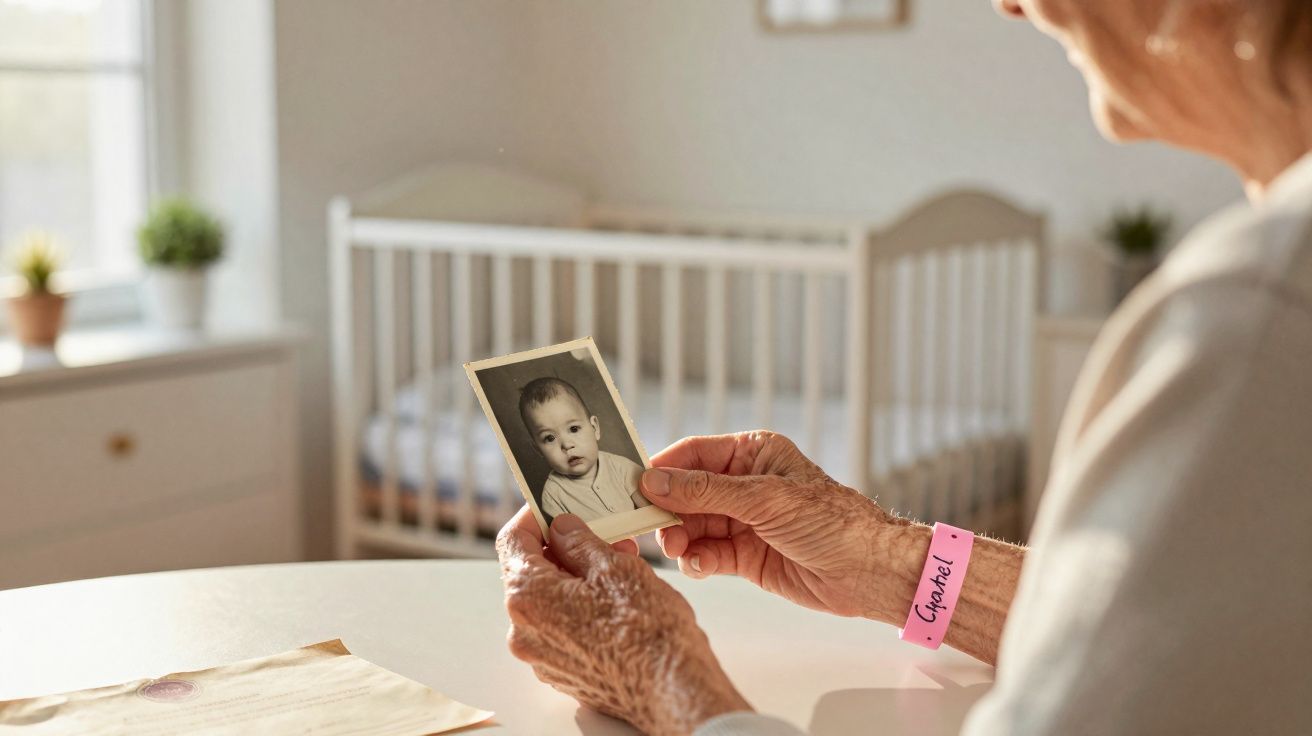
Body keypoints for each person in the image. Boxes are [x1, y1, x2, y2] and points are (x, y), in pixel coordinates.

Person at [495, 1, 1312, 733]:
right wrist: (889, 560)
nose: (1012, 4)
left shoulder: (1259, 319)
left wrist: (658, 676)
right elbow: (1165, 625)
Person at [519, 376, 650, 521]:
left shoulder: (622, 468)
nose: (567, 445)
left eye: (574, 429)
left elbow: (652, 515)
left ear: (594, 428)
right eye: (549, 438)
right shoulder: (553, 494)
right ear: (538, 450)